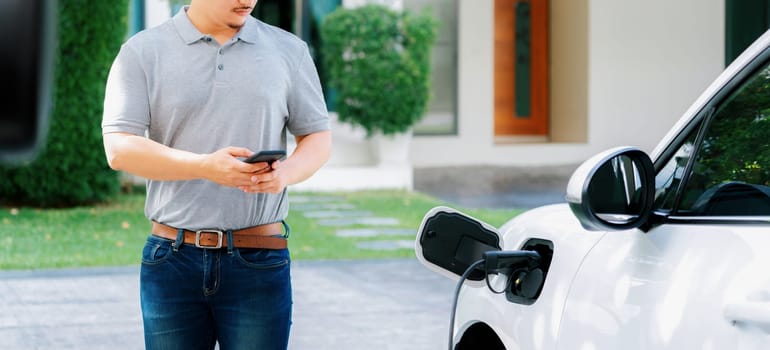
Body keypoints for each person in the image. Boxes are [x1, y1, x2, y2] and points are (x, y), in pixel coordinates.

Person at [101, 0, 332, 349]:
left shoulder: (289, 51)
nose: (247, 0)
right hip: (171, 260)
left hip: (259, 258)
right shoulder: (142, 51)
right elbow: (119, 148)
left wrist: (286, 173)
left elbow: (317, 137)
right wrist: (205, 167)